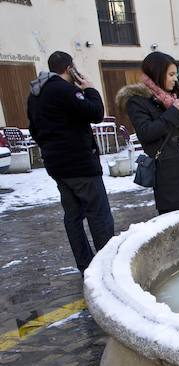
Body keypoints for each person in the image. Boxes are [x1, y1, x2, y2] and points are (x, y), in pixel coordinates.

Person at [27, 51, 114, 274]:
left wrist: (50, 148)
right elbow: (95, 113)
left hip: (57, 166)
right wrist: (90, 89)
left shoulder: (35, 94)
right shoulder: (65, 90)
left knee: (73, 215)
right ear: (69, 69)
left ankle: (85, 264)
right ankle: (107, 266)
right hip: (80, 164)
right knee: (98, 213)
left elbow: (34, 129)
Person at [117, 51, 179, 214]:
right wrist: (173, 113)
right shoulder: (137, 101)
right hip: (170, 179)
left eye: (176, 74)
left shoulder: (169, 98)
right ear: (157, 74)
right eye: (171, 74)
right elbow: (146, 133)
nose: (175, 79)